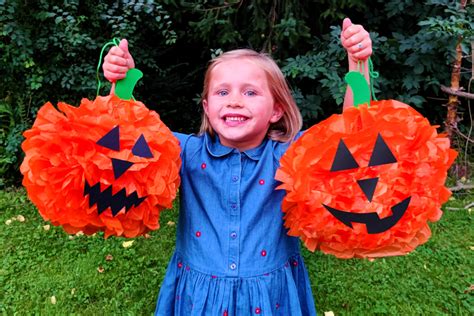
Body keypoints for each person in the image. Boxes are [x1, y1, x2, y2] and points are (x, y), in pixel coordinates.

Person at [103, 17, 372, 316]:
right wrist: (121, 82)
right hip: (199, 296)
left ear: (276, 110)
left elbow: (353, 135)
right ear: (206, 107)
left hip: (271, 297)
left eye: (250, 92)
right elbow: (125, 135)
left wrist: (357, 63)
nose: (234, 101)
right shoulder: (185, 152)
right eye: (222, 92)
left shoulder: (290, 154)